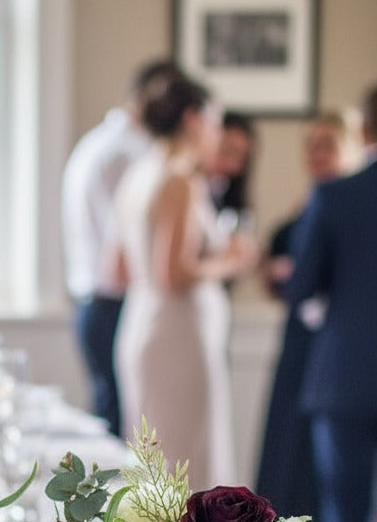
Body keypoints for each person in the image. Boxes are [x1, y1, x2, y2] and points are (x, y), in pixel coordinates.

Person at [111, 74, 258, 491]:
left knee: (157, 462)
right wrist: (233, 260)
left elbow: (118, 270)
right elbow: (173, 273)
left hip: (142, 324)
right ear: (193, 118)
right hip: (178, 338)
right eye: (214, 121)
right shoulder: (178, 177)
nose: (216, 133)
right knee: (185, 465)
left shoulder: (138, 174)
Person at [286, 84, 377, 522]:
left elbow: (299, 286)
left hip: (346, 379)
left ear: (363, 130)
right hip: (345, 382)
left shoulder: (336, 195)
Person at [60, 58, 179, 438]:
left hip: (90, 303)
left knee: (110, 413)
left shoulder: (95, 142)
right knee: (125, 427)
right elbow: (125, 248)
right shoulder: (131, 153)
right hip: (115, 304)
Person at [256, 112, 350, 519]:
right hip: (297, 342)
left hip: (335, 344)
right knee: (286, 445)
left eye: (327, 143)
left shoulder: (352, 209)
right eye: (311, 143)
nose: (318, 153)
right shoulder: (301, 213)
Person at [207, 111, 256, 214]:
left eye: (241, 160)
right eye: (228, 151)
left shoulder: (231, 202)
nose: (232, 165)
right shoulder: (188, 185)